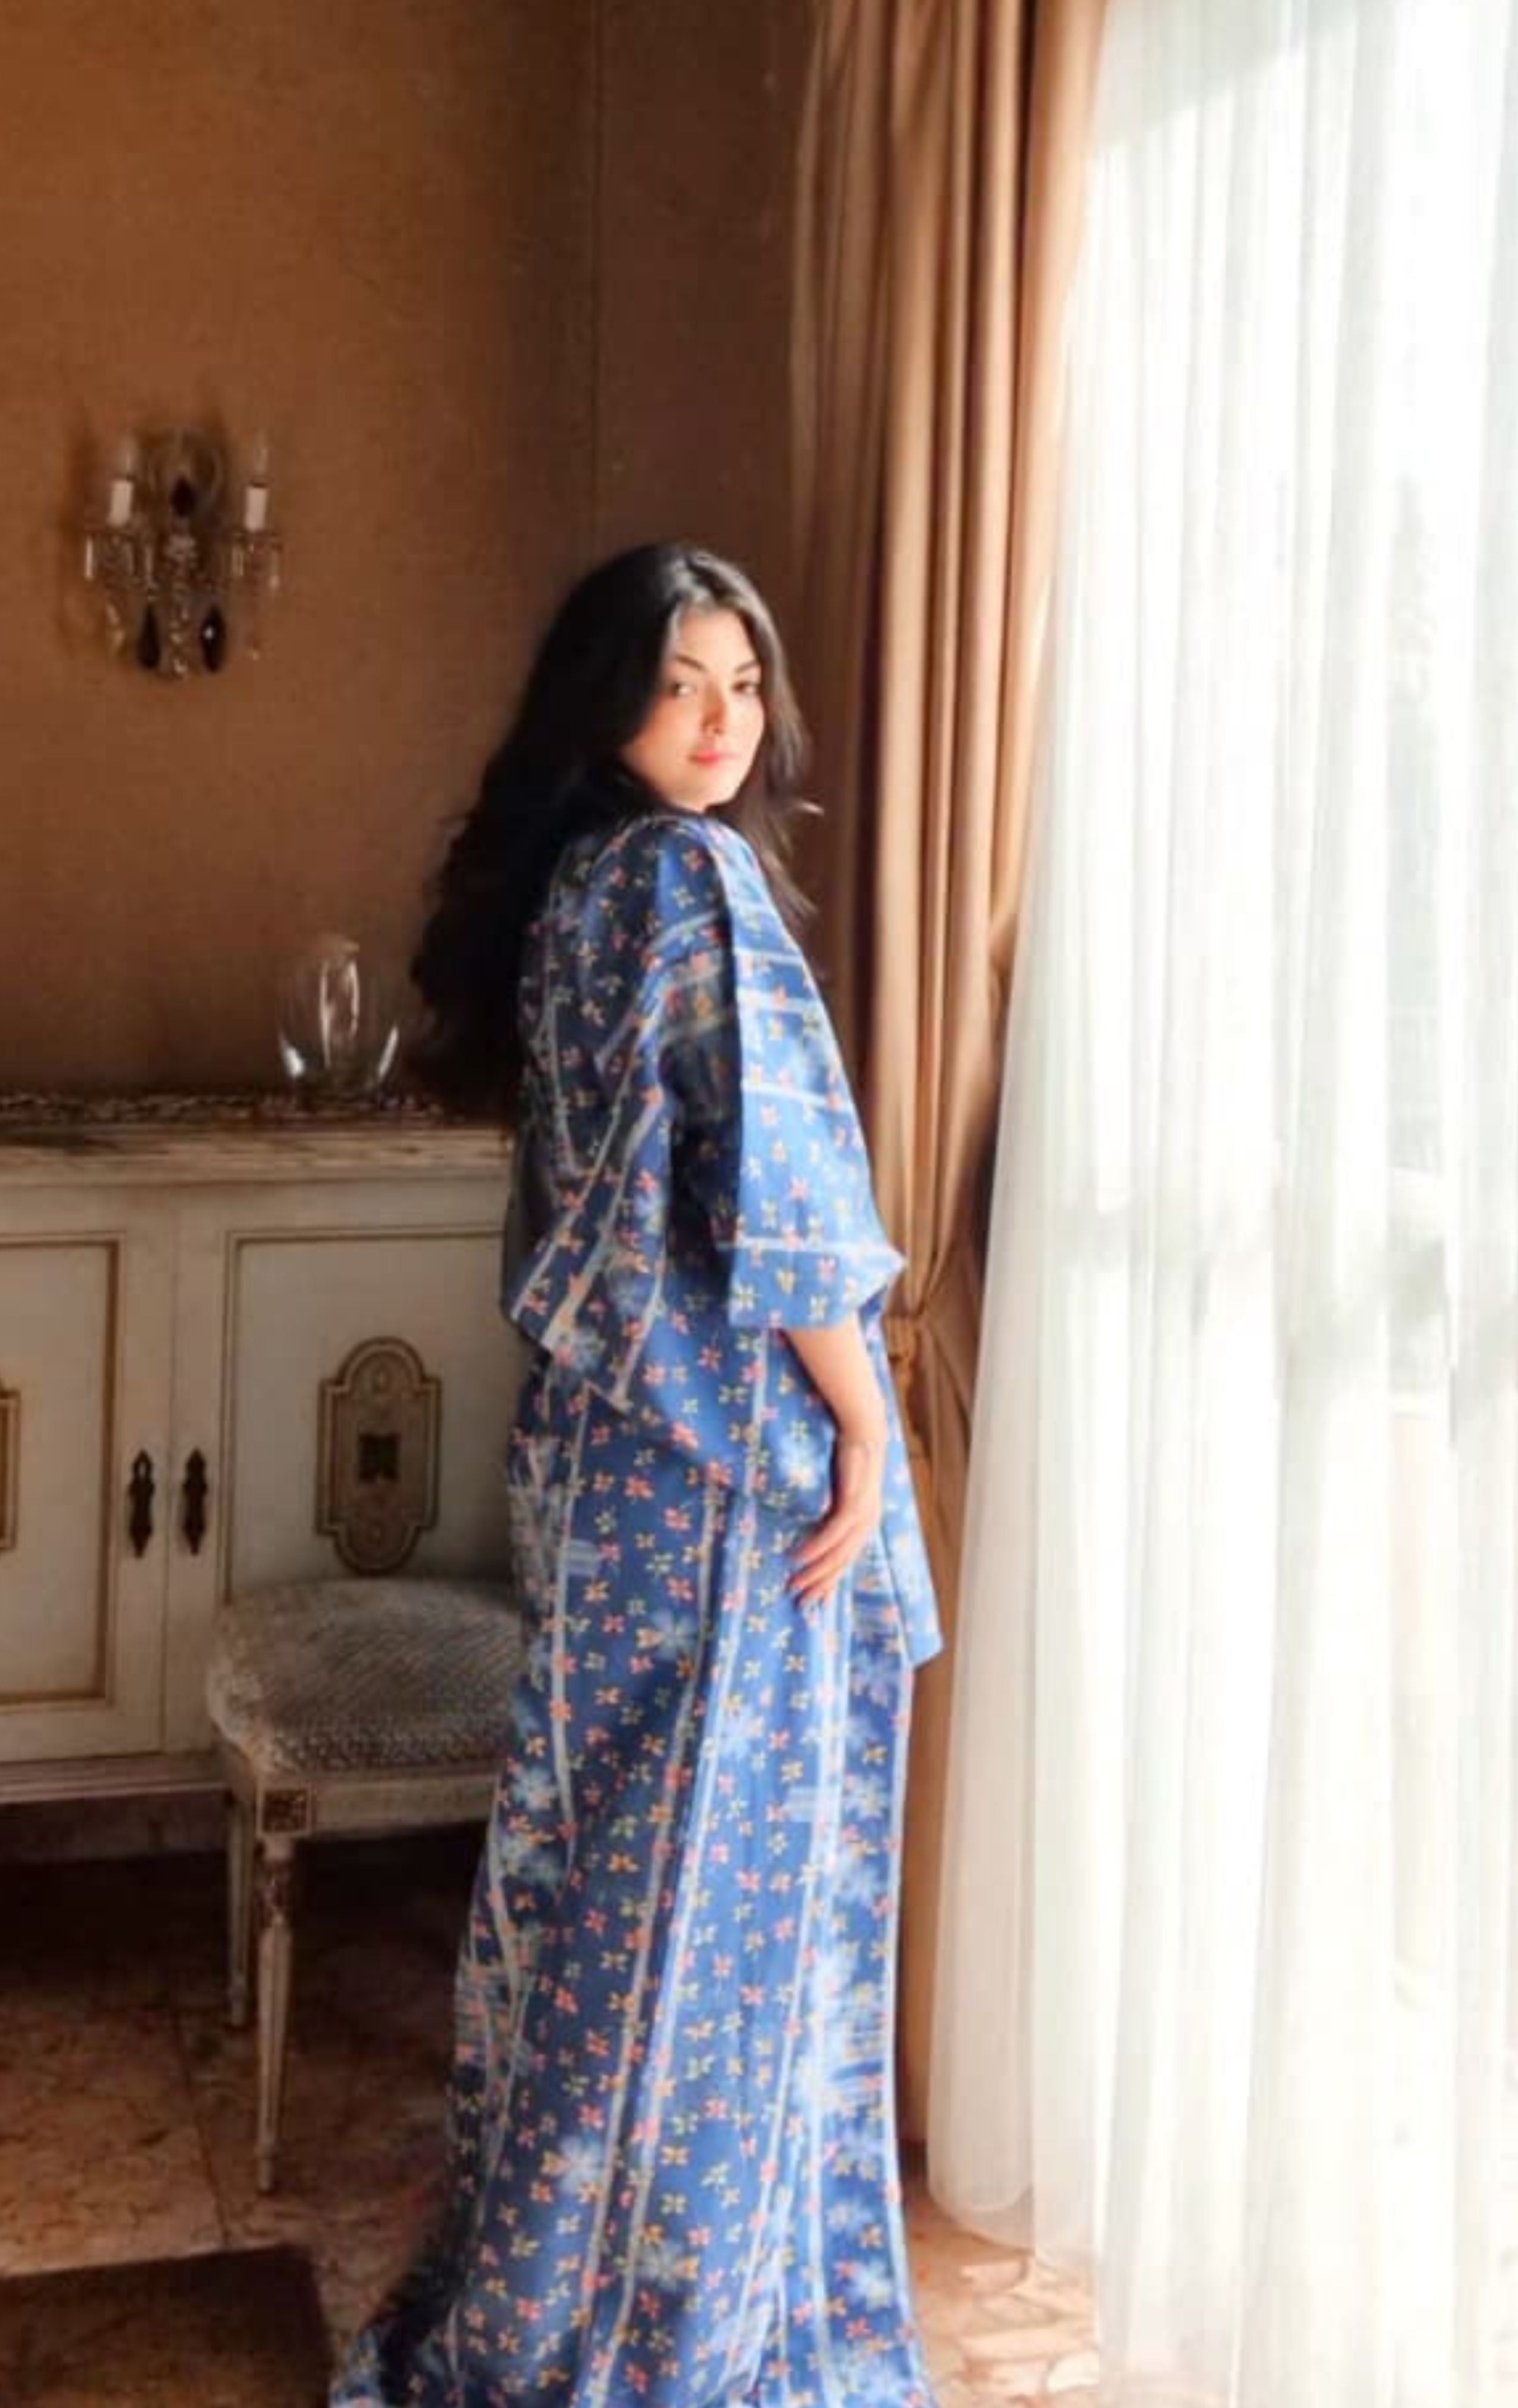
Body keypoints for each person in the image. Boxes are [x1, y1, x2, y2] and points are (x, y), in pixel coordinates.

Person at [331, 542, 943, 2408]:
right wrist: (866, 1421)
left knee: (604, 1894)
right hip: (725, 1471)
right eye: (681, 682)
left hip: (603, 1470)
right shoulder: (686, 880)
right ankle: (677, 2326)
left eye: (742, 684)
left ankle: (551, 2297)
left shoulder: (575, 887)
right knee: (713, 1913)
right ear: (608, 699)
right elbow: (782, 1201)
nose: (720, 719)